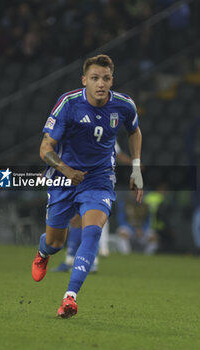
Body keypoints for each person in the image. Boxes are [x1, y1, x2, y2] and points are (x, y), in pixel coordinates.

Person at [31, 54, 143, 318]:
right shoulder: (68, 104)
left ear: (111, 80)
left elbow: (134, 131)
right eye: (94, 78)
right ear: (84, 80)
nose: (100, 84)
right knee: (55, 242)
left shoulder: (124, 105)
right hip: (64, 177)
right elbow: (45, 147)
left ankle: (70, 298)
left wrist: (136, 168)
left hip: (100, 178)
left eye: (106, 78)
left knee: (92, 232)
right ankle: (43, 251)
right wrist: (66, 170)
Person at [52, 143, 132, 273]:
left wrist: (133, 163)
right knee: (77, 221)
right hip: (79, 179)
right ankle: (71, 260)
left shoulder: (105, 132)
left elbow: (118, 154)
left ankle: (89, 262)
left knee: (87, 222)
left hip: (94, 181)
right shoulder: (85, 130)